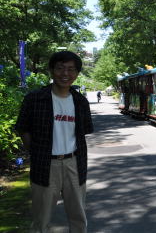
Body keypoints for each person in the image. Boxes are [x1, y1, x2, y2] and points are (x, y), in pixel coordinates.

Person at [15, 51, 93, 233]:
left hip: (74, 163)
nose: (65, 74)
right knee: (41, 219)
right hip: (45, 164)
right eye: (60, 68)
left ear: (76, 74)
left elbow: (84, 132)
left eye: (71, 69)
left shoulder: (80, 102)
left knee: (78, 217)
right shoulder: (35, 99)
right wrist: (35, 151)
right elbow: (22, 128)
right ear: (51, 71)